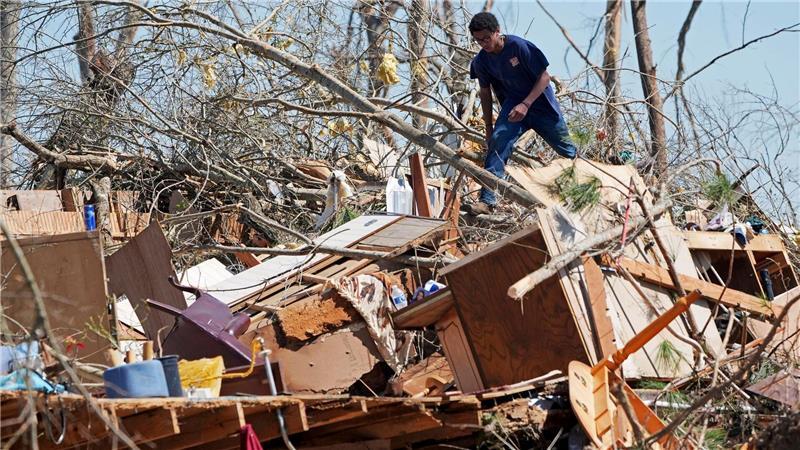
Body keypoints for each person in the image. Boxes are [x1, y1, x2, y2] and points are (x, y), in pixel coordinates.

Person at [467, 12, 577, 215]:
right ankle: (487, 200)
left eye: (486, 38)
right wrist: (489, 128)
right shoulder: (481, 61)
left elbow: (545, 77)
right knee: (499, 141)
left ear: (497, 32)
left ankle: (587, 188)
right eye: (478, 40)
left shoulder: (518, 47)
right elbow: (484, 92)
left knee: (568, 151)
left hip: (541, 105)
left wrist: (526, 104)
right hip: (513, 106)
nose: (483, 43)